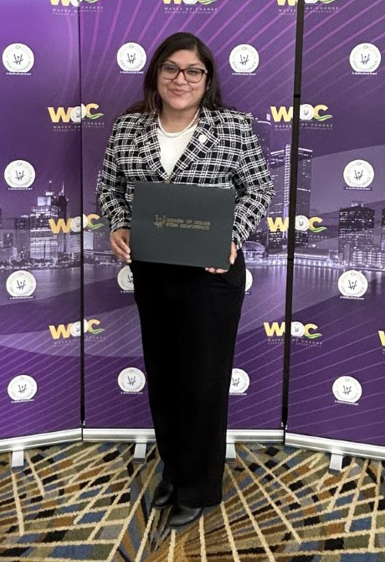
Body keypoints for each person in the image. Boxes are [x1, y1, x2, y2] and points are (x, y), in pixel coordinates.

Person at [96, 31, 275, 528]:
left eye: (194, 71)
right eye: (172, 68)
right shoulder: (128, 128)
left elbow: (259, 190)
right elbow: (109, 186)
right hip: (153, 270)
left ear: (207, 79)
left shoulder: (234, 127)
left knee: (202, 382)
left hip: (212, 273)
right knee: (166, 378)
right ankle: (175, 470)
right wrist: (118, 223)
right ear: (156, 73)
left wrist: (233, 236)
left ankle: (199, 488)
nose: (182, 79)